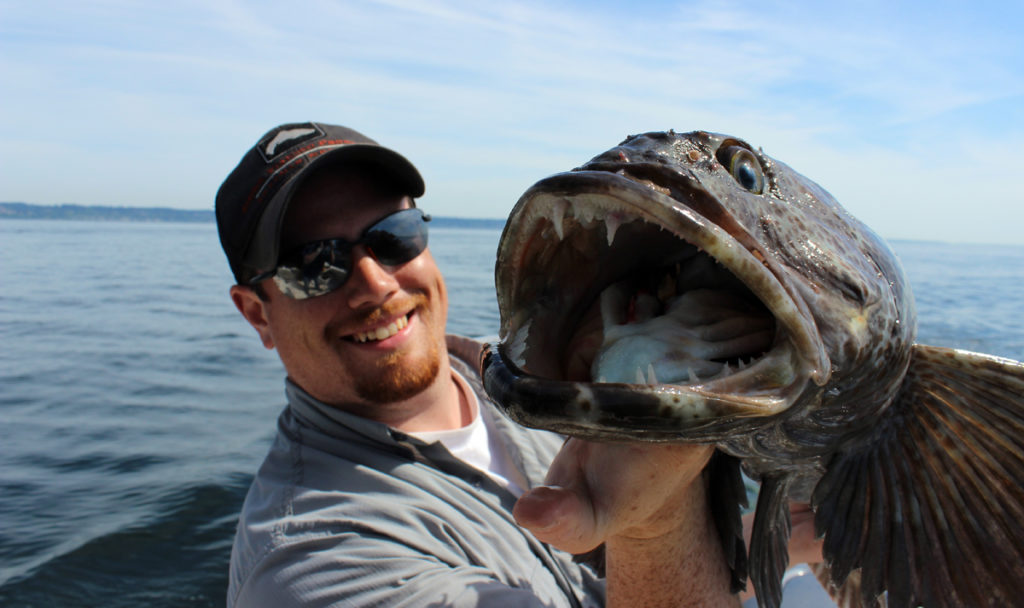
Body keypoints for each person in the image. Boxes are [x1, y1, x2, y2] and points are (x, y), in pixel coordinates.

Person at [216, 121, 821, 608]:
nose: (375, 283)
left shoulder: (524, 377)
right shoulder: (309, 565)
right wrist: (656, 521)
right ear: (257, 314)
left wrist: (782, 540)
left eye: (392, 235)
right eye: (314, 266)